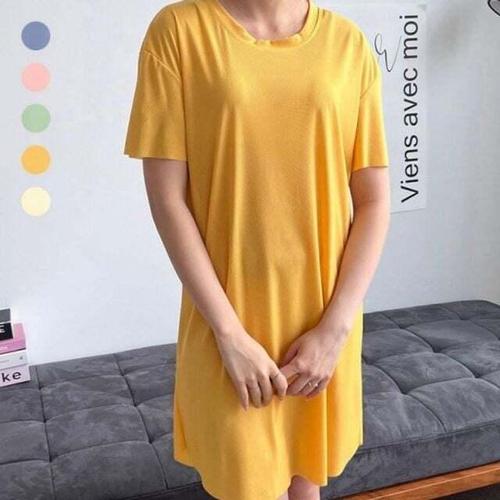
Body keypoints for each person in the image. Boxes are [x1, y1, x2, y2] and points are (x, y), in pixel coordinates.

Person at [123, 0, 391, 498]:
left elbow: (374, 202)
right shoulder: (179, 32)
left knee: (307, 484)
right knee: (246, 485)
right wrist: (230, 336)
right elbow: (167, 200)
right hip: (227, 325)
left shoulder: (348, 44)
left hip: (324, 322)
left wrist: (335, 329)